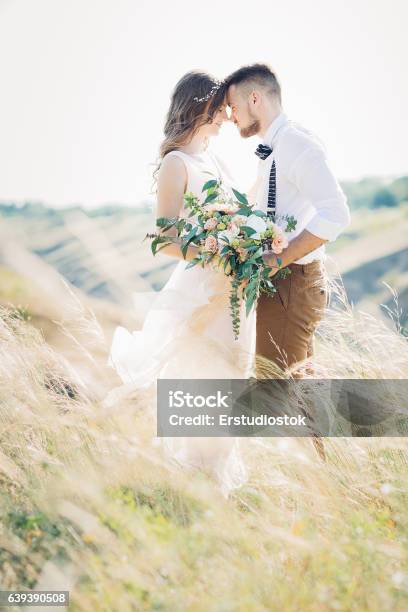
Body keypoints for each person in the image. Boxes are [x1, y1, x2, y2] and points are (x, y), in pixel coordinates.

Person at [109, 71, 255, 496]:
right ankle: (194, 485)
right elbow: (165, 239)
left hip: (233, 289)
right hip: (200, 288)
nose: (228, 117)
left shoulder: (215, 159)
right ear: (199, 106)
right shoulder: (177, 162)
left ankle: (217, 490)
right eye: (221, 109)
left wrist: (246, 239)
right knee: (200, 379)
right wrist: (217, 251)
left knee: (231, 380)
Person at [225, 63, 351, 376]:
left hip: (292, 280)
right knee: (297, 394)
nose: (230, 116)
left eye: (232, 106)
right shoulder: (276, 146)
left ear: (254, 99)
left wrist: (276, 260)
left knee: (276, 395)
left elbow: (336, 213)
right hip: (284, 281)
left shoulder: (296, 143)